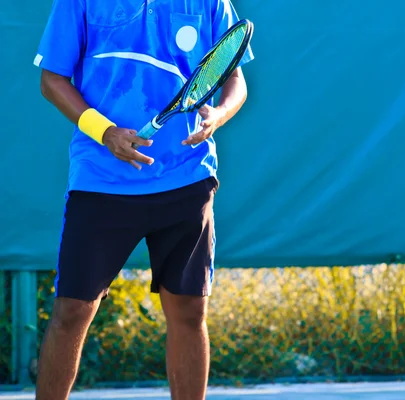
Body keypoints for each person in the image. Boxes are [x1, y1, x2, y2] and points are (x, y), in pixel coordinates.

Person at [32, 0, 253, 398]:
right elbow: (52, 80)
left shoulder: (210, 3)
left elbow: (234, 78)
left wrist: (218, 114)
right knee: (71, 311)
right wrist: (105, 131)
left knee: (189, 311)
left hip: (187, 179)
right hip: (101, 182)